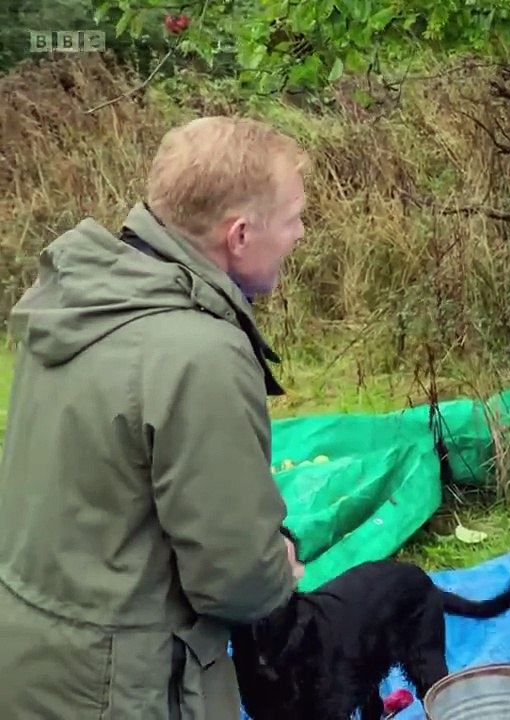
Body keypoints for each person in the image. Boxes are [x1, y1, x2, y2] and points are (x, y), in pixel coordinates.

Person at [0, 115, 311, 718]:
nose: (301, 233)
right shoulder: (201, 355)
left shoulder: (75, 298)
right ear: (240, 235)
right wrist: (280, 567)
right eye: (294, 216)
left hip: (32, 650)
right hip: (123, 685)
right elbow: (235, 577)